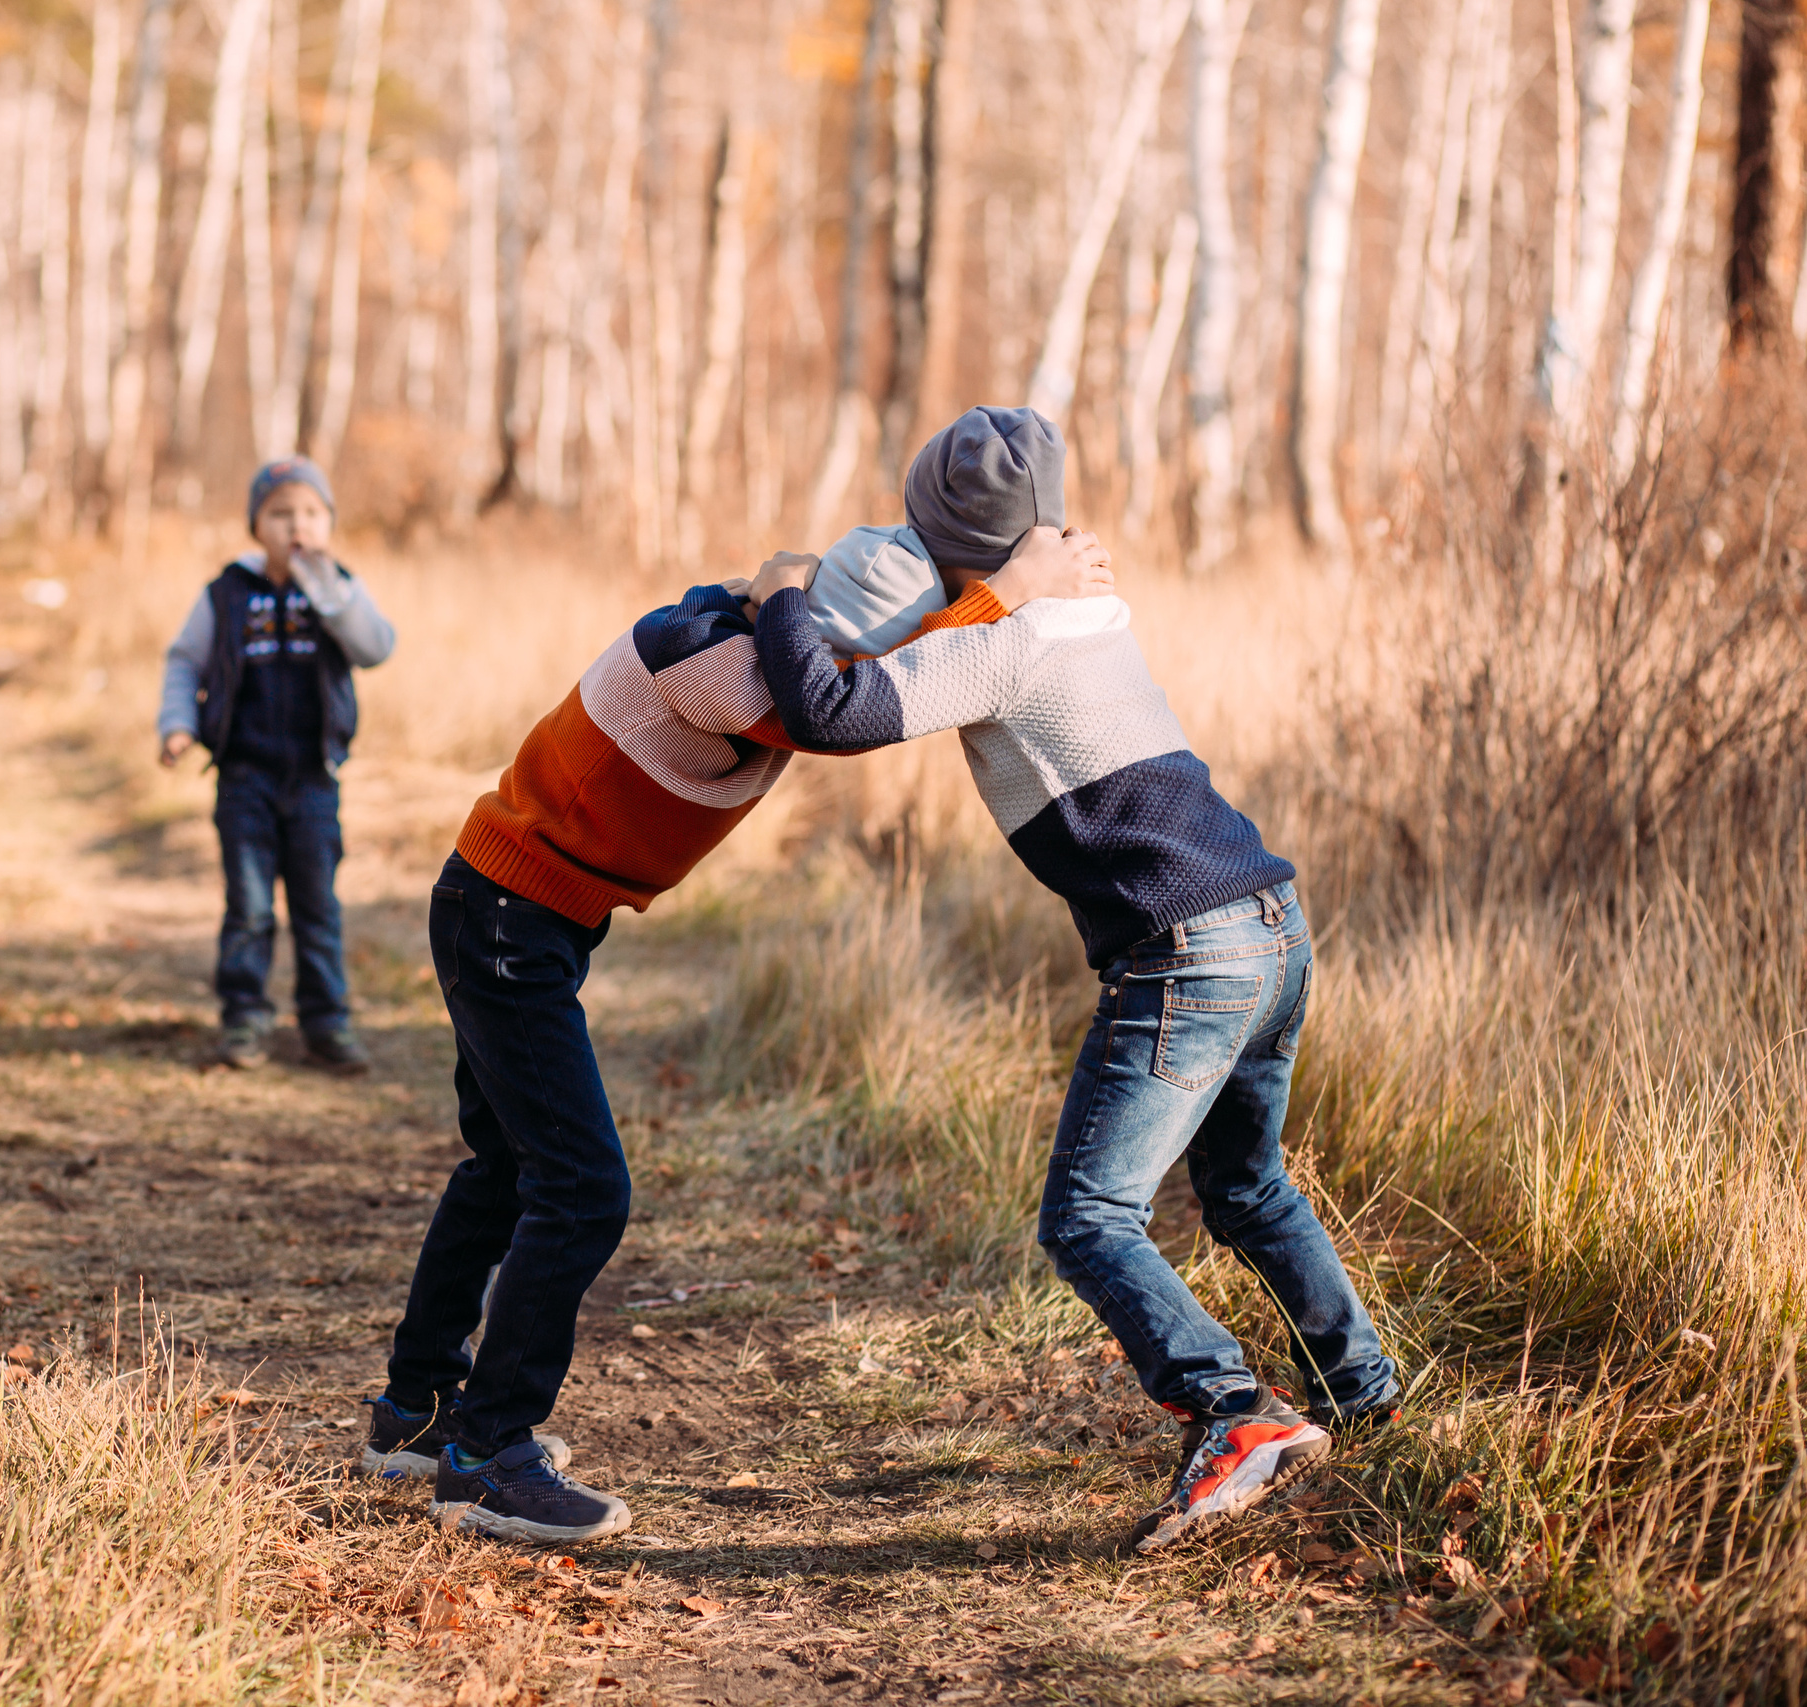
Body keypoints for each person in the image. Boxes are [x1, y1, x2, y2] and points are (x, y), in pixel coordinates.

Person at [359, 511, 1116, 1545]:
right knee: (581, 1191)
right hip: (507, 917)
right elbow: (843, 707)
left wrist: (890, 589)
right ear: (799, 633)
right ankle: (487, 1454)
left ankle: (418, 1410)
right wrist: (1009, 597)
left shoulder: (750, 634)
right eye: (828, 650)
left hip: (513, 907)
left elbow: (863, 665)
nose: (836, 668)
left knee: (504, 1168)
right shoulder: (716, 663)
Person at [747, 405, 1402, 1555]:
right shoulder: (1080, 604)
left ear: (938, 537)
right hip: (1272, 922)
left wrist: (780, 597)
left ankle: (1234, 1412)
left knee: (1088, 1218)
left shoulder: (999, 643)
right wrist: (1009, 574)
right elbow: (981, 615)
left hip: (1184, 948)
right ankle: (1364, 1395)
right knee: (1246, 1188)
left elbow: (829, 710)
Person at [159, 457, 395, 1074]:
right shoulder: (226, 594)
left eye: (312, 513)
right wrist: (178, 725)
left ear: (329, 523)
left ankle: (327, 1023)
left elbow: (375, 649)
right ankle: (244, 1019)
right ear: (255, 525)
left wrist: (331, 597)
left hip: (316, 778)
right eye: (281, 513)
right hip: (245, 776)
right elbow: (185, 660)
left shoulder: (341, 587)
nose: (298, 526)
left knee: (318, 906)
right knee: (251, 905)